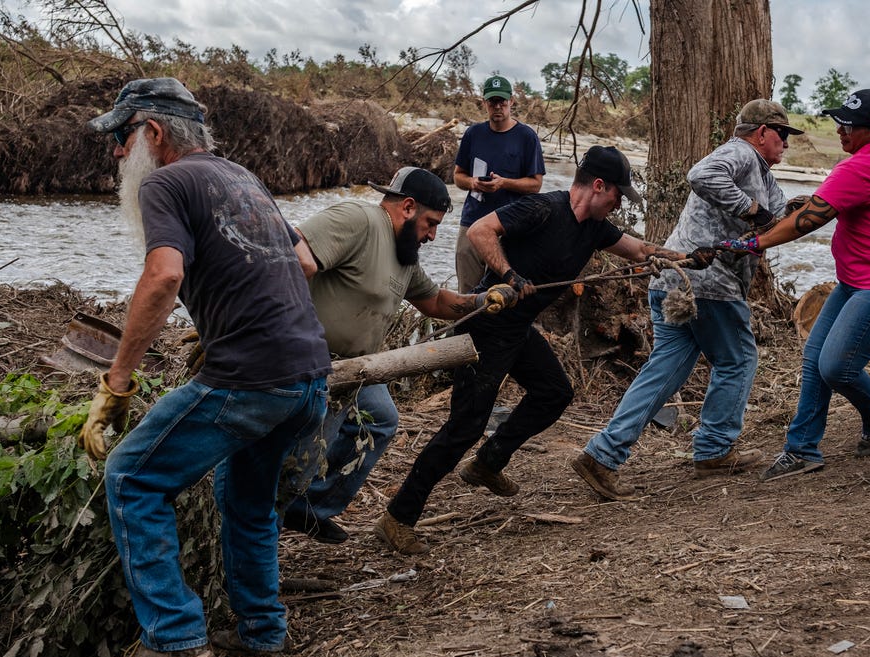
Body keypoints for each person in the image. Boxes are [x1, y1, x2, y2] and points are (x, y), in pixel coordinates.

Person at [79, 78, 331, 657]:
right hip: (308, 377)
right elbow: (304, 262)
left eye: (121, 137)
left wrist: (116, 382)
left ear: (154, 133)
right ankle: (263, 632)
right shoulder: (243, 176)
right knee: (245, 502)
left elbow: (164, 276)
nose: (117, 152)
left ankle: (172, 639)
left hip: (250, 380)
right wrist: (222, 317)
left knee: (132, 477)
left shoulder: (165, 181)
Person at [376, 146, 706, 553]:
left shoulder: (596, 228)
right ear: (598, 186)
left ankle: (488, 463)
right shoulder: (543, 209)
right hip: (488, 326)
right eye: (618, 195)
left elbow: (638, 250)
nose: (619, 204)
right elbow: (481, 231)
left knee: (554, 393)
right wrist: (510, 275)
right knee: (463, 428)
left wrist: (688, 258)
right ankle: (398, 518)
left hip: (517, 331)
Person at [571, 100, 801, 500]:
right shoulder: (741, 153)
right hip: (706, 283)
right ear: (761, 132)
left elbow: (781, 213)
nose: (785, 144)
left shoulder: (762, 174)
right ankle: (713, 449)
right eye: (782, 135)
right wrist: (749, 210)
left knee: (665, 369)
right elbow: (701, 174)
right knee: (738, 359)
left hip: (672, 281)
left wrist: (828, 202)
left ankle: (602, 454)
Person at [281, 167, 516, 544]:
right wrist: (258, 328)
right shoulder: (357, 221)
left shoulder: (404, 255)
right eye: (431, 223)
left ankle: (310, 509)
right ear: (407, 207)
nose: (433, 235)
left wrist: (482, 299)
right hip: (312, 362)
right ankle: (269, 525)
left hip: (360, 367)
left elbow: (435, 301)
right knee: (298, 459)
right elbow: (288, 260)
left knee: (381, 419)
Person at [721, 91, 870, 481]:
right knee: (815, 357)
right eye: (839, 121)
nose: (839, 130)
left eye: (849, 125)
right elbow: (850, 199)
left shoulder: (858, 168)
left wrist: (752, 243)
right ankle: (801, 450)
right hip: (858, 281)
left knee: (836, 366)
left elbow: (809, 221)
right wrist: (816, 201)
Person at [452, 74, 545, 291]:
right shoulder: (473, 134)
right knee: (467, 291)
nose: (497, 107)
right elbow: (458, 176)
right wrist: (474, 182)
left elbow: (535, 184)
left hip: (509, 226)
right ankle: (465, 326)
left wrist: (504, 183)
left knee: (501, 293)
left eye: (502, 101)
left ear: (511, 101)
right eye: (492, 101)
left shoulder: (527, 137)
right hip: (471, 222)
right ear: (484, 102)